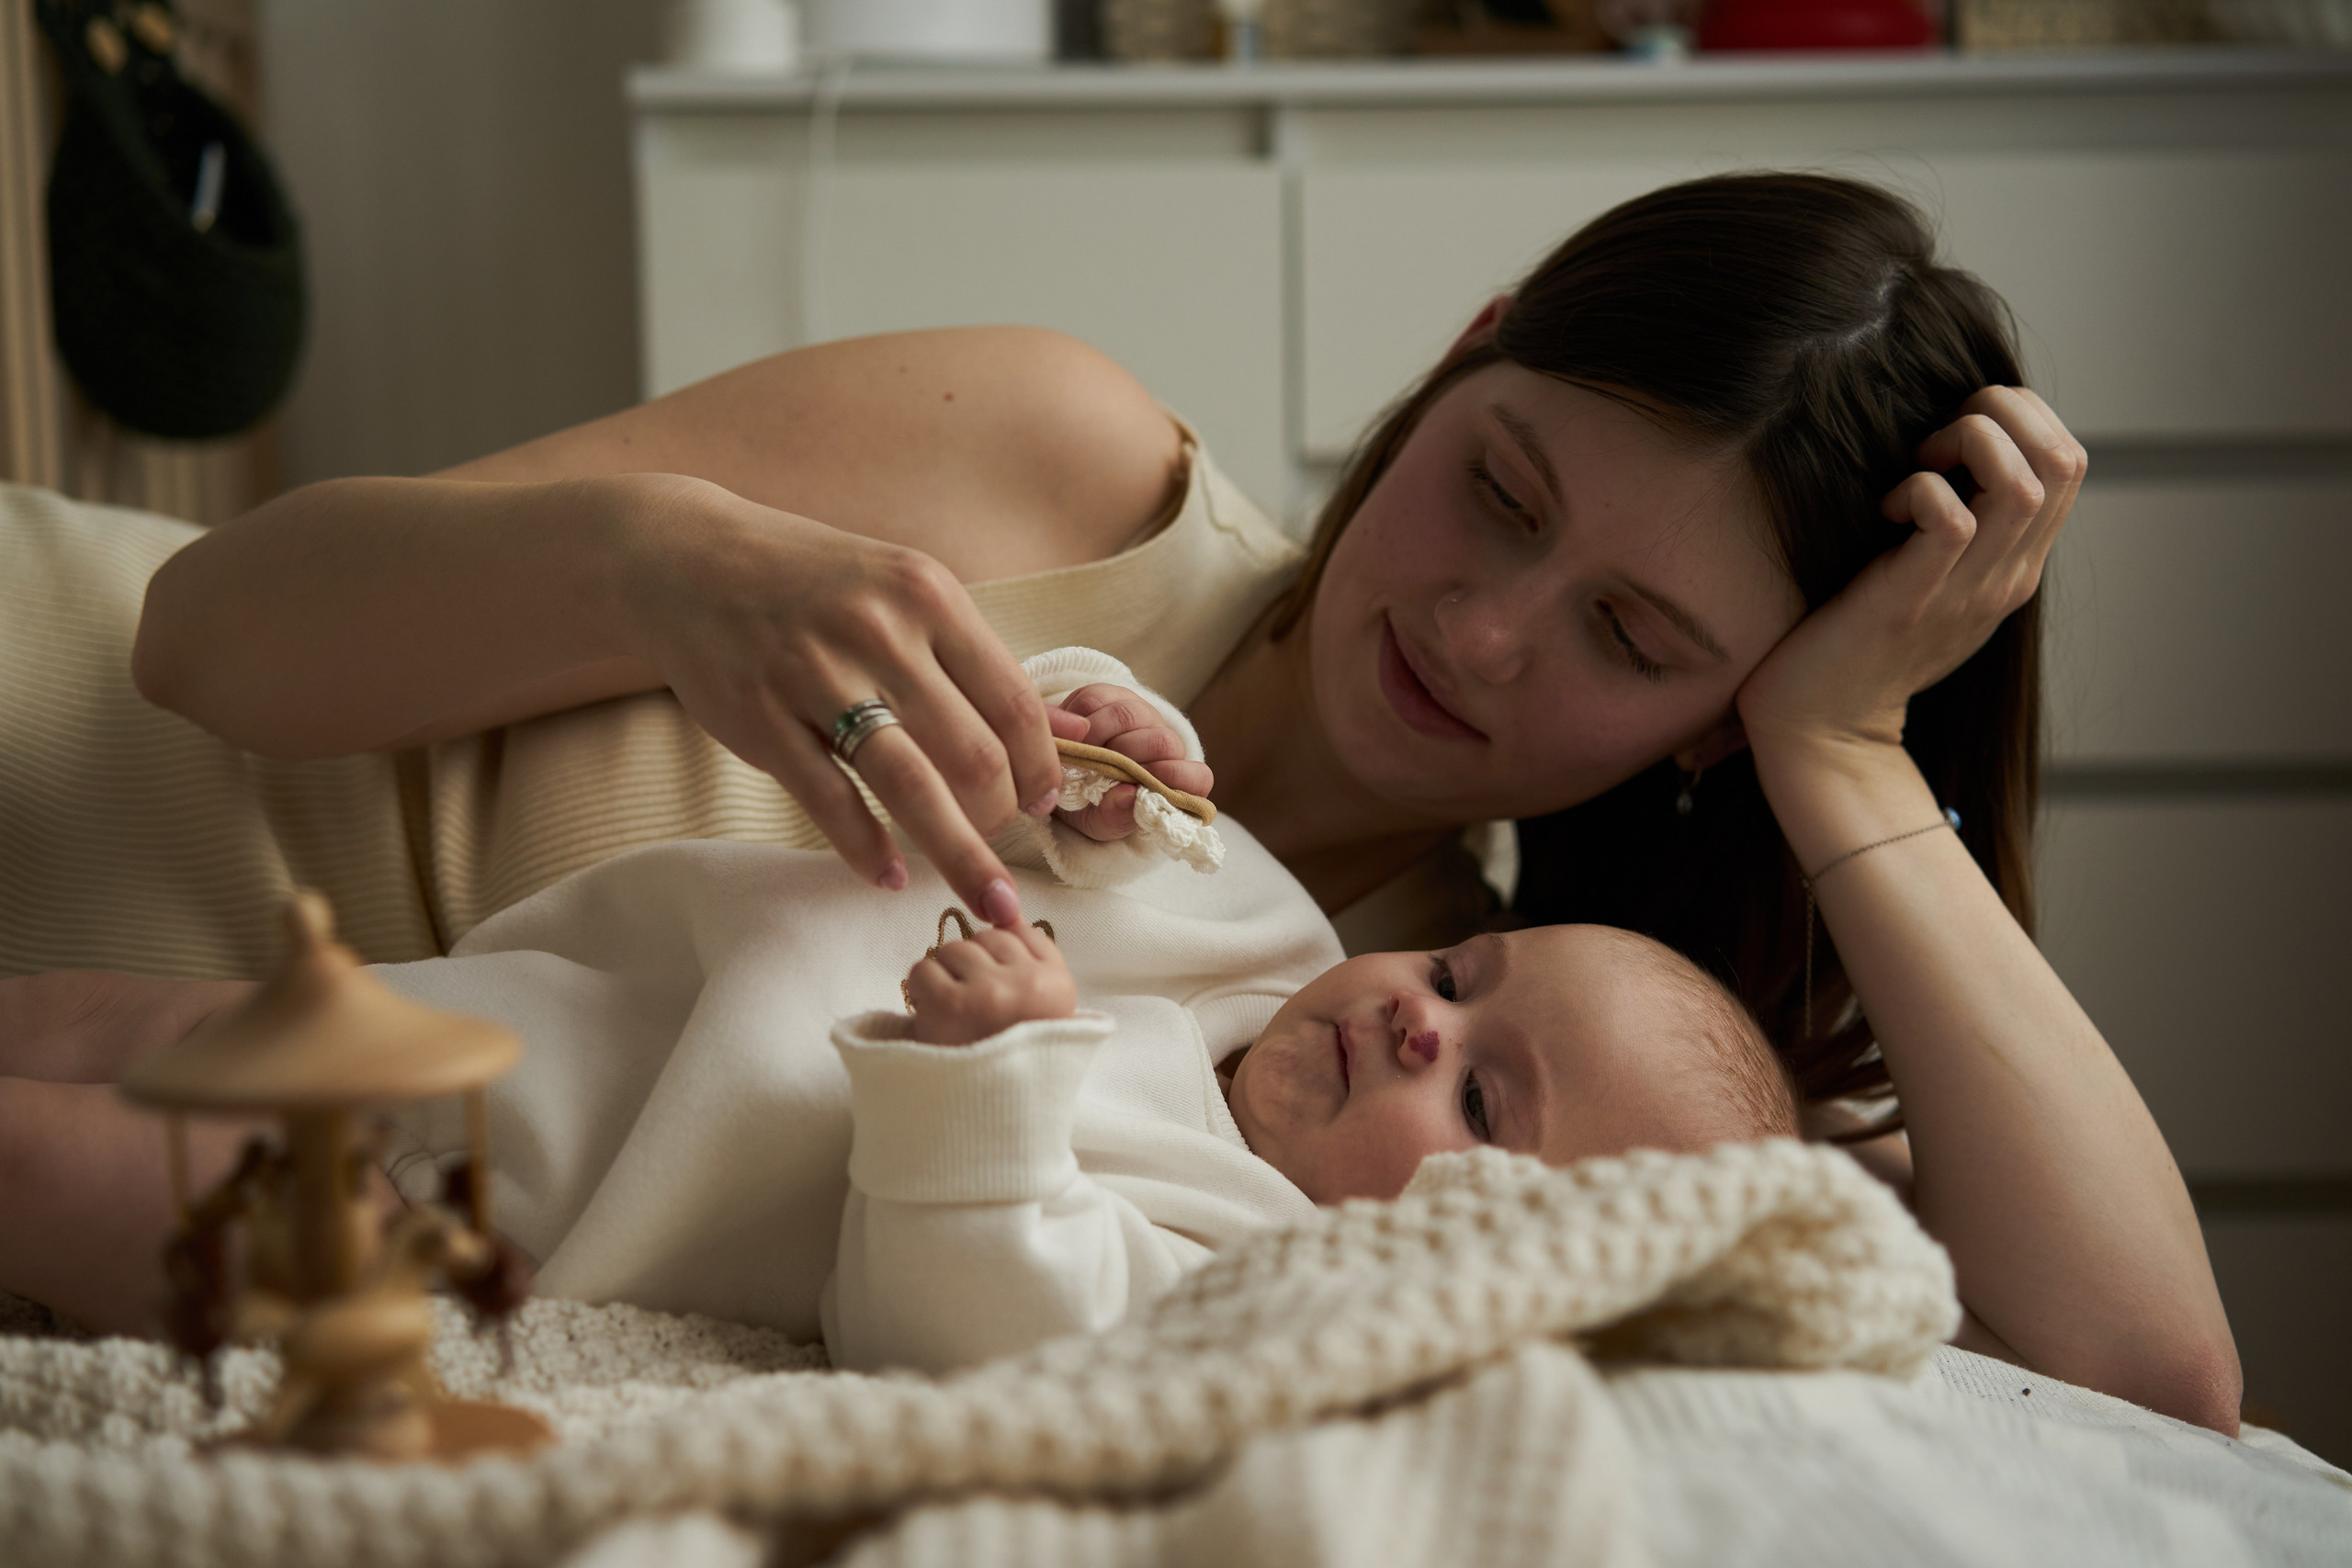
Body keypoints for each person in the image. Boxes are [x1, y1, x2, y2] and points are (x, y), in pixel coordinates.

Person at [0, 174, 2237, 1428]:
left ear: (1708, 728)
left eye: (1636, 643)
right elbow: (210, 630)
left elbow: (2145, 1380)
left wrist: (1842, 761)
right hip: (64, 733)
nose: (1478, 631)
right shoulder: (1070, 481)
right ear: (1458, 353)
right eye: (1497, 488)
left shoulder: (1472, 1105)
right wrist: (664, 569)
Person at [0, 660, 1794, 1376]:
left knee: (50, 1155)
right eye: (1462, 981)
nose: (1416, 1018)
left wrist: (997, 1078)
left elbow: (974, 1314)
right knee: (75, 1019)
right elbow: (1075, 831)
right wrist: (1096, 746)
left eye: (1485, 1104)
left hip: (477, 1209)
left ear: (1491, 1279)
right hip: (483, 1008)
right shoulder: (1267, 930)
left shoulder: (1245, 1268)